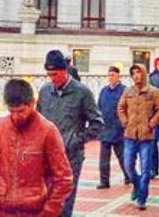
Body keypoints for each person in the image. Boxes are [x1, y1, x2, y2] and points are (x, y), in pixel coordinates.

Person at [0, 78, 73, 216]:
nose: (16, 116)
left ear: (32, 103)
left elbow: (64, 178)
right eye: (11, 111)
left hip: (36, 210)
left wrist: (48, 212)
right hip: (4, 210)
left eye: (21, 111)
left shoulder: (47, 131)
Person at [37, 49, 103, 217]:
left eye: (55, 74)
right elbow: (37, 121)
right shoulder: (44, 92)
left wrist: (77, 140)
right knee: (47, 201)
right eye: (49, 75)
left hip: (71, 158)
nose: (52, 78)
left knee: (65, 203)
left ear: (64, 70)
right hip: (47, 157)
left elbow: (97, 123)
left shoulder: (82, 92)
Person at [117, 63, 159, 211]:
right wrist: (125, 122)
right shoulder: (128, 91)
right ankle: (137, 186)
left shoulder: (153, 91)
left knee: (145, 169)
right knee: (128, 166)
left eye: (138, 72)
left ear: (143, 74)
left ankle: (142, 198)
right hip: (130, 134)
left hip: (146, 136)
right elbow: (121, 107)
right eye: (133, 73)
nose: (136, 76)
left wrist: (152, 123)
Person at [96, 66, 131, 188]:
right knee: (104, 159)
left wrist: (125, 124)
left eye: (113, 75)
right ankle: (104, 181)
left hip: (119, 129)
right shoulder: (104, 91)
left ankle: (128, 176)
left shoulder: (125, 91)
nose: (111, 78)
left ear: (118, 76)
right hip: (105, 129)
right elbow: (98, 107)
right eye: (109, 75)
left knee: (122, 156)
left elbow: (129, 109)